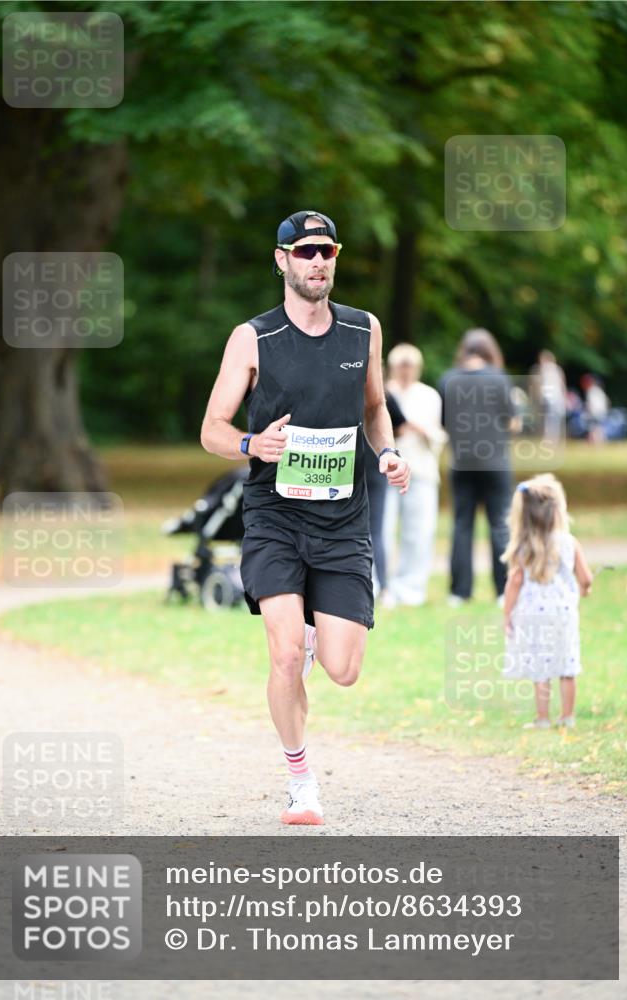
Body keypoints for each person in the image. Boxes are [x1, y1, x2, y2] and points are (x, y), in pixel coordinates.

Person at [200, 210, 410, 825]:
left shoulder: (362, 331)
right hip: (274, 516)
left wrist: (390, 452)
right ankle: (301, 781)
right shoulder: (253, 339)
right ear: (282, 260)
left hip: (344, 519)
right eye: (306, 251)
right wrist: (250, 445)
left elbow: (375, 410)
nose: (318, 261)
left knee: (342, 670)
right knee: (286, 656)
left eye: (327, 251)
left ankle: (317, 636)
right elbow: (212, 429)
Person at [501, 474, 593, 729]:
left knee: (541, 667)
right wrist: (586, 588)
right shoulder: (569, 542)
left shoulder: (523, 546)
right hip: (564, 614)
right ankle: (567, 717)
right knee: (567, 664)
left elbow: (514, 584)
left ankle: (542, 718)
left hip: (533, 615)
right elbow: (585, 578)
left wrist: (507, 614)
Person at [439, 328, 517, 606]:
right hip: (495, 461)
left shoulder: (448, 379)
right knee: (500, 525)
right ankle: (502, 590)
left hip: (461, 462)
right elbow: (513, 420)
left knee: (462, 525)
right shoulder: (499, 379)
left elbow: (444, 421)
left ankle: (459, 592)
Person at [383, 344, 447, 607]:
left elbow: (438, 434)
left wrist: (422, 430)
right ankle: (381, 585)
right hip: (387, 472)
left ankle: (411, 588)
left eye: (410, 366)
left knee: (419, 532)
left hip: (420, 470)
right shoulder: (384, 392)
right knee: (382, 530)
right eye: (401, 366)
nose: (405, 371)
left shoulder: (429, 395)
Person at [364, 386, 408, 605]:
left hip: (371, 468)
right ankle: (382, 587)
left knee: (375, 531)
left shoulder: (383, 395)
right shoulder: (383, 394)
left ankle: (381, 585)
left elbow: (400, 425)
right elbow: (401, 426)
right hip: (371, 467)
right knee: (376, 531)